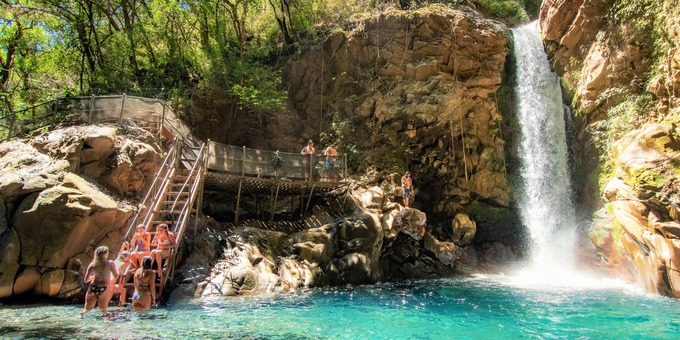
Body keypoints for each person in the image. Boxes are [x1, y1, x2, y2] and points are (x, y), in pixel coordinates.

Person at [82, 246, 118, 315]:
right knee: (103, 311)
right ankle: (104, 325)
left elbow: (86, 280)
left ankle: (81, 321)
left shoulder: (92, 264)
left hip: (93, 287)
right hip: (104, 288)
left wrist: (95, 276)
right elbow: (116, 276)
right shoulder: (110, 263)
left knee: (86, 310)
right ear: (105, 253)